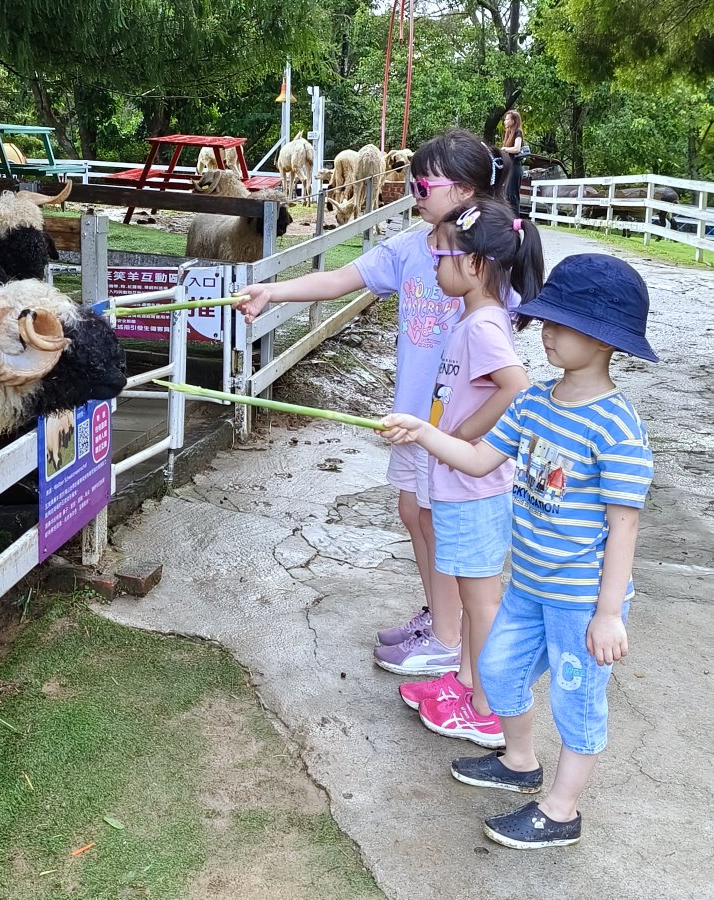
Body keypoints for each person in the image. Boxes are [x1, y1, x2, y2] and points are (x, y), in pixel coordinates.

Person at [380, 253, 656, 849]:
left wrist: (609, 613)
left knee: (577, 698)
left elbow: (624, 526)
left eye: (560, 323)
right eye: (545, 319)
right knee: (499, 672)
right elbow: (480, 459)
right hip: (529, 583)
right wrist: (425, 432)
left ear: (604, 340)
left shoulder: (616, 427)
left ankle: (561, 811)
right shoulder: (534, 404)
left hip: (581, 598)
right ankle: (519, 760)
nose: (544, 331)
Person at [234, 130, 511, 683]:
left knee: (441, 521)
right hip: (413, 416)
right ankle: (440, 617)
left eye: (423, 182)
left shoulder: (487, 260)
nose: (413, 190)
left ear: (463, 192)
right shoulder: (412, 248)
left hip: (452, 427)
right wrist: (273, 290)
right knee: (414, 512)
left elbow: (509, 357)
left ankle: (449, 638)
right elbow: (341, 277)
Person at [403, 199, 543, 749]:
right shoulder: (473, 320)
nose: (435, 265)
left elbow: (518, 386)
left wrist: (464, 436)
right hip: (460, 485)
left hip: (475, 487)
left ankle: (486, 709)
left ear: (475, 265)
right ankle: (466, 683)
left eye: (441, 255)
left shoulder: (484, 325)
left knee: (481, 601)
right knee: (467, 591)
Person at [500, 110, 525, 215]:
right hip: (509, 167)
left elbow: (517, 148)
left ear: (514, 121)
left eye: (507, 119)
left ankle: (515, 220)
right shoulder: (508, 133)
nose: (505, 121)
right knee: (506, 194)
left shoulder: (518, 132)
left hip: (515, 168)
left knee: (512, 194)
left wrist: (505, 149)